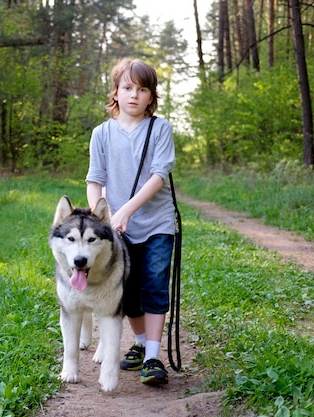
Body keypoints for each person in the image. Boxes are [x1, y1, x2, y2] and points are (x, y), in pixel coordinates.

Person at [85, 58, 176, 385]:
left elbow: (158, 177)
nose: (134, 95)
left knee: (153, 284)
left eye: (142, 89)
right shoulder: (101, 134)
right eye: (127, 88)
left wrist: (126, 210)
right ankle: (138, 343)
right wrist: (100, 216)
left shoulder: (160, 129)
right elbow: (95, 179)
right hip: (118, 230)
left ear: (151, 96)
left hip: (157, 225)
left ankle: (153, 356)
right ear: (116, 92)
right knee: (129, 291)